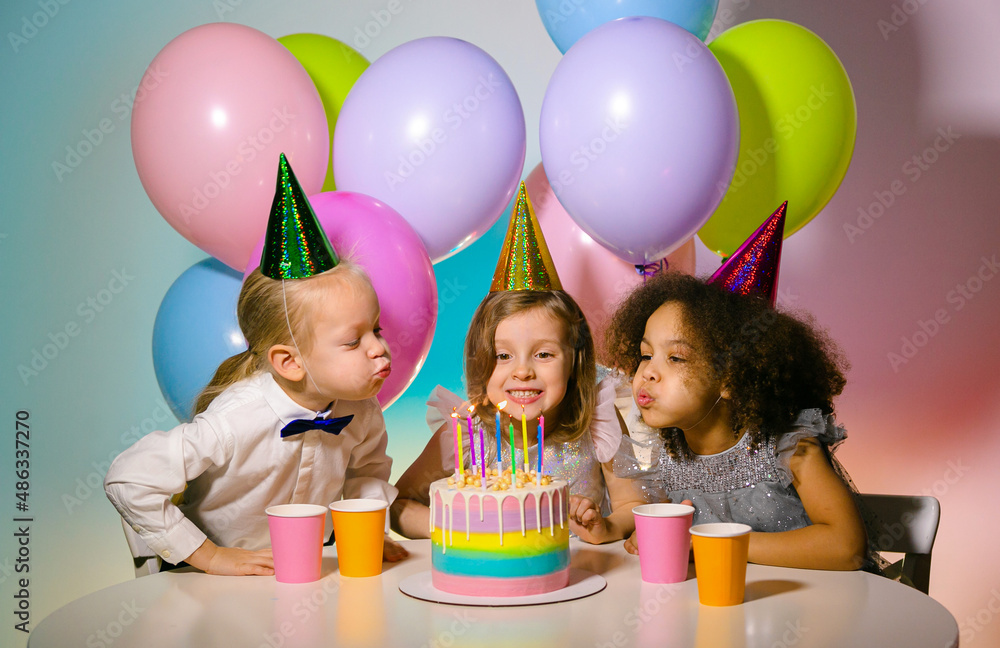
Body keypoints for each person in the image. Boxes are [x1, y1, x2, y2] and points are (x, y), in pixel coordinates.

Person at [105, 154, 406, 576]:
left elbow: (364, 474)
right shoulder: (238, 417)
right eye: (354, 340)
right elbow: (129, 479)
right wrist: (210, 557)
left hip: (300, 573)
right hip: (208, 582)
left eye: (377, 330)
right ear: (290, 362)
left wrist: (371, 530)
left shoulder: (362, 410)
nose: (379, 349)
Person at [390, 183, 644, 543]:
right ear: (481, 362)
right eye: (503, 356)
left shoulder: (596, 421)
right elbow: (398, 505)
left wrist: (605, 528)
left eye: (543, 354)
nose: (522, 371)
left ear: (575, 359)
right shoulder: (468, 432)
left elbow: (632, 505)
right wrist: (449, 525)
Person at [601, 270, 869, 571]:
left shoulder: (789, 447)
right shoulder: (671, 456)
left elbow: (846, 548)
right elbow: (681, 539)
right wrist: (654, 535)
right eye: (646, 355)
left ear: (729, 378)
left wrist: (716, 544)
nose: (648, 372)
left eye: (676, 358)